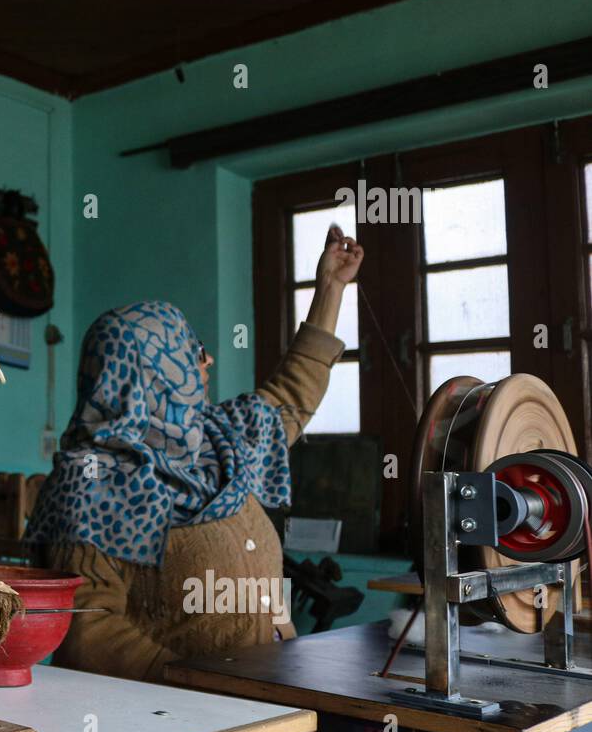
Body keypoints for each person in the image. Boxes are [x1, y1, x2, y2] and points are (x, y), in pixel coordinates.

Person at [25, 225, 363, 682]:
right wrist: (200, 684)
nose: (207, 362)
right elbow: (88, 629)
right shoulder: (89, 487)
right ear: (150, 372)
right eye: (191, 352)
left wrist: (331, 289)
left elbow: (291, 394)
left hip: (264, 697)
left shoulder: (219, 440)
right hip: (184, 728)